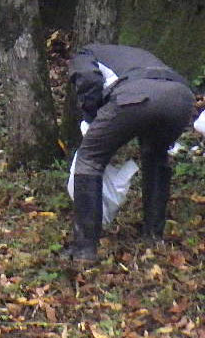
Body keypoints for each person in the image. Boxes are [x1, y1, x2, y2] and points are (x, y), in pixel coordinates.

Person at [65, 44, 194, 262]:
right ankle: (153, 237)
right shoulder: (137, 53)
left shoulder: (85, 54)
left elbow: (88, 80)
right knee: (156, 156)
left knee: (90, 158)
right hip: (182, 99)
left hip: (135, 95)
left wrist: (91, 117)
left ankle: (84, 249)